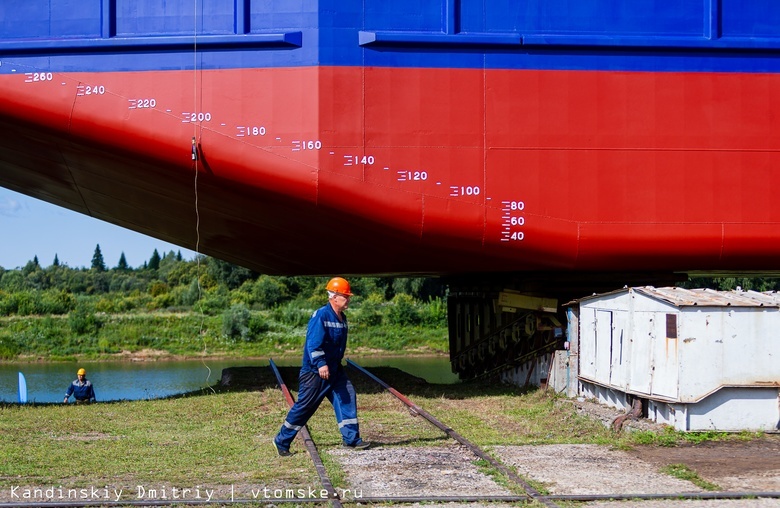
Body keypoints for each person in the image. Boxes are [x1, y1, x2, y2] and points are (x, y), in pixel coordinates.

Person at [273, 277, 369, 456]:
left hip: (334, 370)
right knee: (305, 407)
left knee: (347, 396)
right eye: (345, 296)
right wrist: (321, 364)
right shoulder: (321, 316)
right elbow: (313, 344)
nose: (348, 299)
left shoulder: (342, 318)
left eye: (348, 296)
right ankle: (282, 440)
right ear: (334, 297)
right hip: (316, 372)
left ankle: (351, 439)